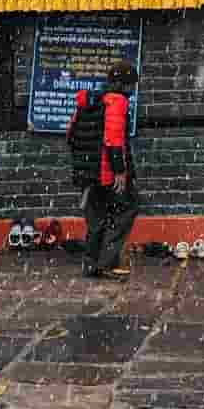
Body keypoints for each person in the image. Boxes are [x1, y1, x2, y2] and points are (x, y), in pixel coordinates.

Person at [80, 61, 139, 280]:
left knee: (97, 216)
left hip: (89, 170)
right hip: (108, 172)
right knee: (127, 208)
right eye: (131, 84)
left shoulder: (93, 100)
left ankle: (90, 264)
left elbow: (72, 134)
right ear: (124, 84)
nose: (133, 90)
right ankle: (107, 262)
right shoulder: (117, 101)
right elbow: (114, 140)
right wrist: (120, 171)